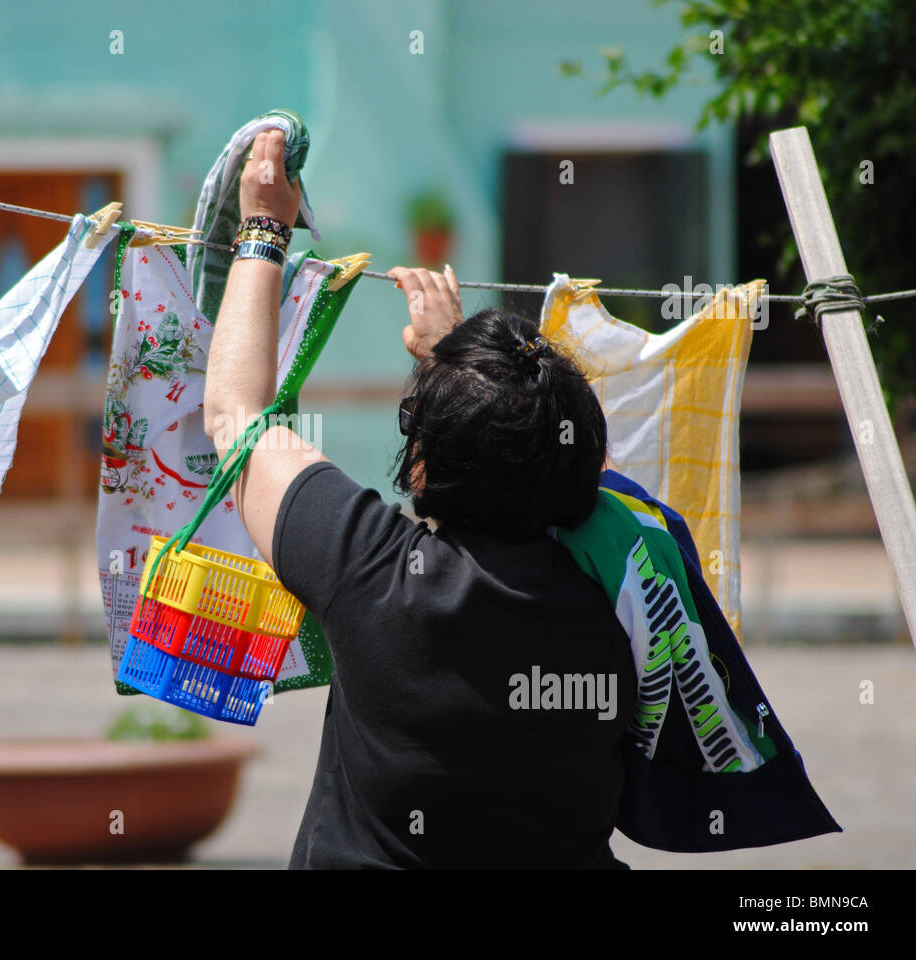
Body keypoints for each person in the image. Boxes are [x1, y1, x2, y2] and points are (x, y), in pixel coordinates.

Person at [204, 130, 635, 869]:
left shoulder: (373, 573)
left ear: (427, 469)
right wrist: (456, 370)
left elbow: (236, 420)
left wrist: (262, 229)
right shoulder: (625, 591)